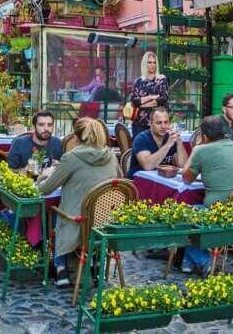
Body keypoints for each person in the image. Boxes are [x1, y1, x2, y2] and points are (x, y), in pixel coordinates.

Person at [36, 118, 121, 287]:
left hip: (78, 224)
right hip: (106, 224)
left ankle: (60, 267)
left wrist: (45, 174)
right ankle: (95, 262)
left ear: (76, 137)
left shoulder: (72, 158)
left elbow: (45, 189)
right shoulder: (111, 156)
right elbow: (118, 182)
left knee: (53, 212)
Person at [181, 115, 233, 273]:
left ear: (204, 136)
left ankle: (203, 261)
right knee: (196, 211)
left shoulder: (202, 150)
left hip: (218, 212)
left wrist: (195, 149)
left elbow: (186, 178)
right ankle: (188, 263)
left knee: (185, 215)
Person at [127, 106, 187, 179]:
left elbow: (183, 165)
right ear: (150, 123)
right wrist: (168, 145)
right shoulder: (142, 138)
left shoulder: (170, 138)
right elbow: (147, 166)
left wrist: (179, 141)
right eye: (158, 123)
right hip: (139, 182)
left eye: (166, 122)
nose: (163, 126)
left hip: (162, 182)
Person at [125, 51, 169, 137]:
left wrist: (141, 104)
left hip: (156, 123)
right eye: (149, 62)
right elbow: (134, 101)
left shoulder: (161, 80)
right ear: (145, 64)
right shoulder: (138, 81)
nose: (152, 65)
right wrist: (151, 97)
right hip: (139, 123)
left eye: (154, 62)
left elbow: (162, 99)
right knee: (140, 149)